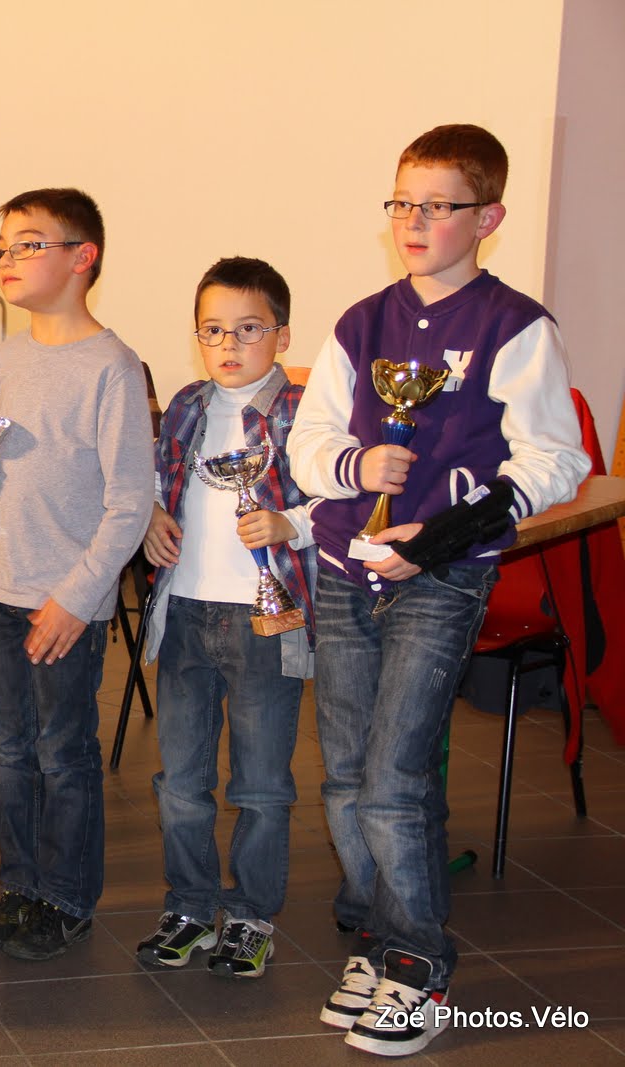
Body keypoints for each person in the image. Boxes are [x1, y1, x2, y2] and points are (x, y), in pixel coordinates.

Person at [287, 124, 588, 1057]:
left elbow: (557, 459)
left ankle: (420, 962)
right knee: (345, 775)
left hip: (442, 578)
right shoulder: (361, 322)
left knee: (395, 778)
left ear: (487, 217)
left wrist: (443, 536)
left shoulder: (515, 326)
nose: (414, 221)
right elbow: (308, 442)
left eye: (438, 206)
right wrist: (354, 464)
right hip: (345, 569)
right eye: (402, 202)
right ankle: (377, 938)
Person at [0, 188, 150, 961]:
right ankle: (20, 886)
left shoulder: (112, 367)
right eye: (1, 247)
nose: (7, 259)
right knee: (9, 750)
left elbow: (130, 503)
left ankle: (65, 898)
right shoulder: (8, 355)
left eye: (27, 244)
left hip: (65, 597)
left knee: (63, 754)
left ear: (81, 257)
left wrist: (77, 597)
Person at [136, 257, 316, 979]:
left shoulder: (302, 410)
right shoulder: (186, 404)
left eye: (248, 329)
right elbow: (155, 479)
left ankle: (250, 915)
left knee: (261, 784)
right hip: (185, 611)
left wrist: (291, 523)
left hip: (264, 622)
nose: (229, 344)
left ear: (282, 334)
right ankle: (189, 903)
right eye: (213, 330)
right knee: (180, 781)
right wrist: (151, 515)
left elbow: (341, 501)